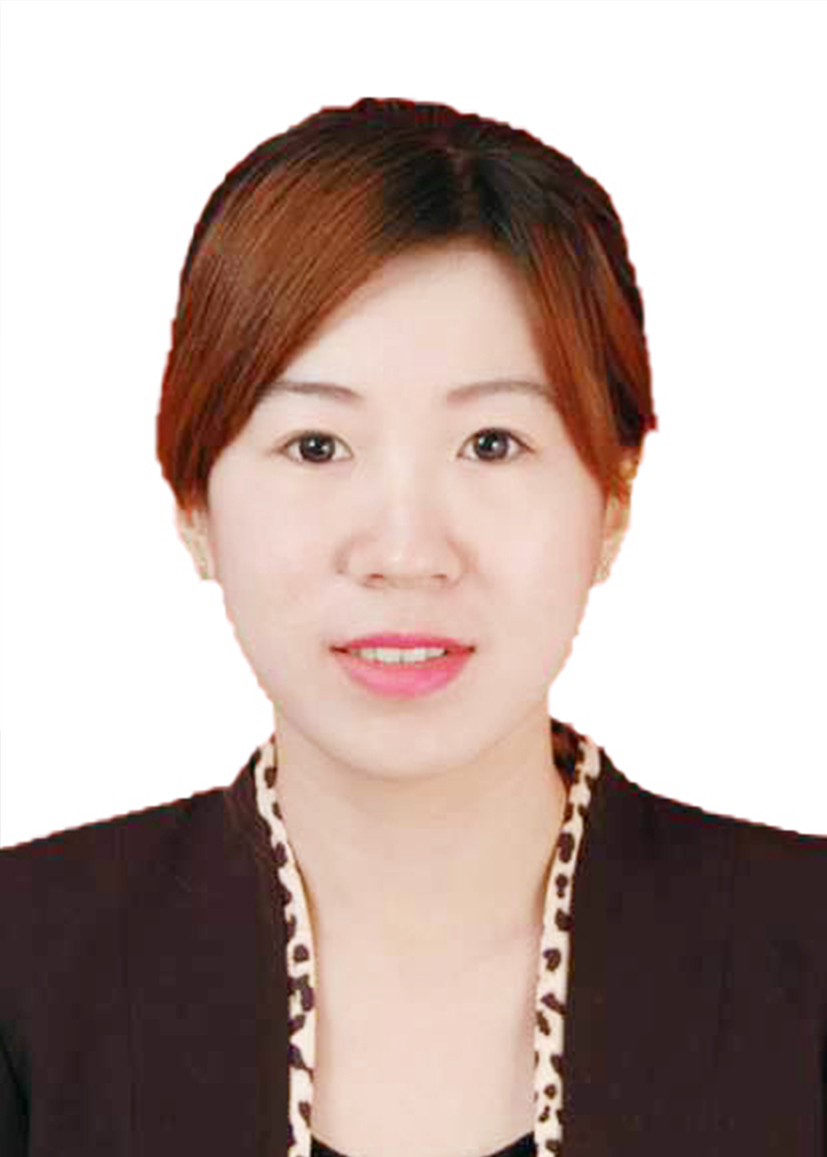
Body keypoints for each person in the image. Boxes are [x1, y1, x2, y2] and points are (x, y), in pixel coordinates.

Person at [0, 97, 824, 1157]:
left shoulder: (802, 954)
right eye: (315, 445)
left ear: (612, 498)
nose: (404, 549)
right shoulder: (26, 968)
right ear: (193, 503)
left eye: (490, 443)